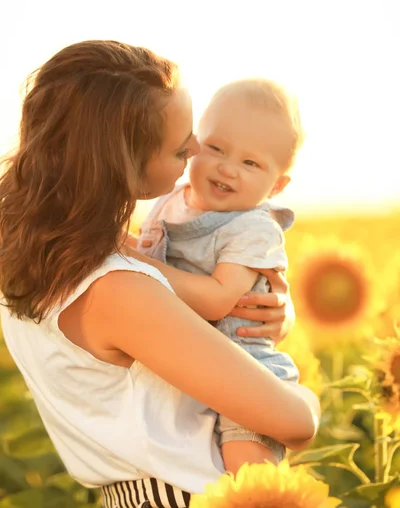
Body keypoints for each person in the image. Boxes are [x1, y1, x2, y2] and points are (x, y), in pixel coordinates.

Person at [0, 41, 320, 508]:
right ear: (124, 160)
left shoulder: (38, 260)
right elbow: (294, 423)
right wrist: (307, 399)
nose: (195, 151)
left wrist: (268, 308)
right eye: (180, 147)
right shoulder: (119, 288)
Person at [135, 78, 303, 474]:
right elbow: (137, 256)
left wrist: (136, 260)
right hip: (187, 364)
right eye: (216, 148)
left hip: (245, 371)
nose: (227, 168)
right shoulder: (168, 202)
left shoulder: (254, 228)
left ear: (276, 185)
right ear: (193, 143)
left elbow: (216, 299)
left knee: (247, 480)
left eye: (251, 163)